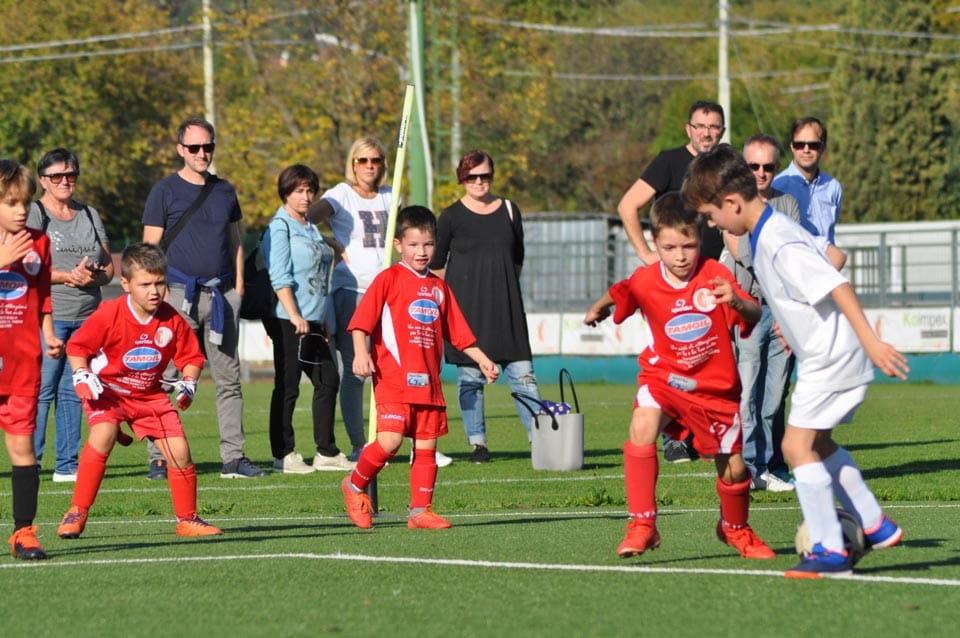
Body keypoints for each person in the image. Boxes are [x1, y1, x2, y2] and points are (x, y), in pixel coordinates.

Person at [682, 144, 908, 578]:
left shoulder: (777, 239)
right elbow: (810, 274)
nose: (711, 224)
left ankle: (831, 550)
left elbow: (836, 283)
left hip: (831, 356)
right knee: (818, 445)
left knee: (795, 447)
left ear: (732, 203)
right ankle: (874, 523)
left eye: (710, 214)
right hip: (827, 352)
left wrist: (872, 341)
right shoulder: (769, 229)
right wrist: (790, 324)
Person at [583, 192, 774, 561]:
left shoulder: (714, 274)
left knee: (734, 470)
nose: (680, 256)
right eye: (670, 248)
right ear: (655, 242)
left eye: (688, 246)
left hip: (714, 388)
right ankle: (643, 524)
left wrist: (737, 302)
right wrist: (598, 308)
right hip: (664, 378)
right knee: (642, 426)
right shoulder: (646, 280)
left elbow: (753, 312)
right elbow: (621, 291)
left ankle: (734, 528)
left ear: (700, 238)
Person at [340, 206, 499, 530]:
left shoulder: (439, 288)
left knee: (426, 447)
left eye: (428, 244)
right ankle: (354, 486)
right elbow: (361, 323)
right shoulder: (388, 279)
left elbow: (458, 333)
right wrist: (361, 354)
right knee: (390, 442)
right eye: (413, 245)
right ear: (398, 244)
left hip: (429, 383)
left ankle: (419, 511)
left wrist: (482, 359)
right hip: (394, 378)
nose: (421, 252)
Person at [56, 243, 222, 539]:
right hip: (108, 392)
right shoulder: (109, 313)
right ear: (125, 284)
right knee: (104, 434)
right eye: (145, 284)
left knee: (180, 451)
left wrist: (190, 381)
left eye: (160, 283)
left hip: (149, 396)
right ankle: (77, 511)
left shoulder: (171, 319)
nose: (154, 291)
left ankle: (187, 519)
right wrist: (81, 373)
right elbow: (78, 347)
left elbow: (192, 357)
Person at [307, 137, 452, 466]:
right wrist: (333, 244)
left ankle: (420, 443)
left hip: (393, 293)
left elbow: (408, 235)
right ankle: (361, 445)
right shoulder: (341, 194)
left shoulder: (391, 195)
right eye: (363, 160)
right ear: (353, 163)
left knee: (406, 369)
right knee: (357, 369)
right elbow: (304, 218)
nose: (370, 166)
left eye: (376, 160)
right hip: (354, 289)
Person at [142, 116, 267, 480]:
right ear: (180, 149)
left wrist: (238, 286)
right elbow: (150, 247)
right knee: (166, 376)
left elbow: (235, 240)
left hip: (221, 295)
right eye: (194, 147)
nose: (201, 153)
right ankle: (160, 456)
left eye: (207, 146)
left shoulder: (225, 190)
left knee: (229, 380)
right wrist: (158, 290)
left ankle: (234, 458)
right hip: (177, 294)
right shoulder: (164, 190)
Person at [616, 100, 727, 463]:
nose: (707, 133)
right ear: (688, 129)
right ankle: (674, 438)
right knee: (675, 358)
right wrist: (646, 254)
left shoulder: (725, 165)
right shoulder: (668, 162)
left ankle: (707, 434)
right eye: (700, 126)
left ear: (722, 131)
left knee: (712, 361)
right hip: (673, 282)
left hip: (712, 277)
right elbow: (627, 205)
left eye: (714, 127)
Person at [429, 150, 542, 463]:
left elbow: (517, 257)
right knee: (470, 381)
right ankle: (478, 444)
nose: (479, 182)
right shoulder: (450, 217)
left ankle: (541, 441)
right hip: (467, 314)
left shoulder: (509, 210)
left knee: (524, 377)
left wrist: (501, 285)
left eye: (485, 176)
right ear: (462, 178)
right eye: (472, 177)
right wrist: (450, 305)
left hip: (508, 312)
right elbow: (436, 266)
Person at [28, 148, 114, 483]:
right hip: (49, 317)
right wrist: (67, 276)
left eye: (70, 175)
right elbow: (25, 266)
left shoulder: (89, 214)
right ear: (43, 180)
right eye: (56, 176)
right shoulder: (34, 214)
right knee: (42, 390)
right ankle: (30, 463)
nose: (65, 181)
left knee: (73, 391)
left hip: (88, 319)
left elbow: (108, 267)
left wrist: (94, 277)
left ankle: (66, 465)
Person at [720, 135, 800, 492]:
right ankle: (750, 466)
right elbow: (743, 252)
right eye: (754, 166)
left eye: (768, 166)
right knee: (747, 393)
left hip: (781, 311)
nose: (761, 172)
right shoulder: (733, 204)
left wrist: (787, 313)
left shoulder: (788, 204)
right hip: (749, 310)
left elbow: (791, 257)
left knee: (775, 396)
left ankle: (769, 467)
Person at [261, 164, 352, 473]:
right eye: (299, 190)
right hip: (289, 319)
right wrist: (294, 314)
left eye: (310, 190)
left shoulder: (309, 225)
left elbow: (319, 271)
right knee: (288, 386)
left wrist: (334, 244)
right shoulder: (280, 226)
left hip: (314, 319)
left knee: (329, 379)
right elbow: (279, 275)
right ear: (286, 193)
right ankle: (283, 455)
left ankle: (326, 452)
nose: (306, 196)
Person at [0, 159, 63, 560]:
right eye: (11, 203)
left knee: (23, 448)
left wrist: (49, 333)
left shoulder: (40, 242)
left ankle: (23, 533)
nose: (22, 210)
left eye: (25, 202)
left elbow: (42, 297)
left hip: (22, 362)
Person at [772, 116, 842, 244]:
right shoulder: (777, 186)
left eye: (813, 145)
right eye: (799, 144)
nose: (806, 150)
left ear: (823, 147)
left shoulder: (833, 187)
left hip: (826, 256)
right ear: (792, 146)